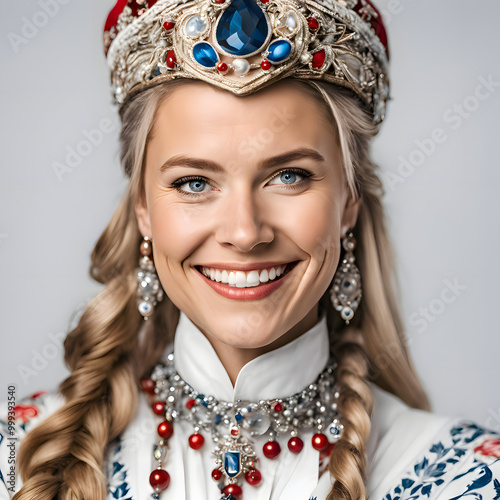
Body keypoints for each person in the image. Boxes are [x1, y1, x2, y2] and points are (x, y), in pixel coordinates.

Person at [1, 0, 499, 499]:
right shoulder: (19, 458)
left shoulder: (465, 475)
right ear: (143, 210)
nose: (244, 232)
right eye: (195, 182)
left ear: (349, 201)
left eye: (289, 176)